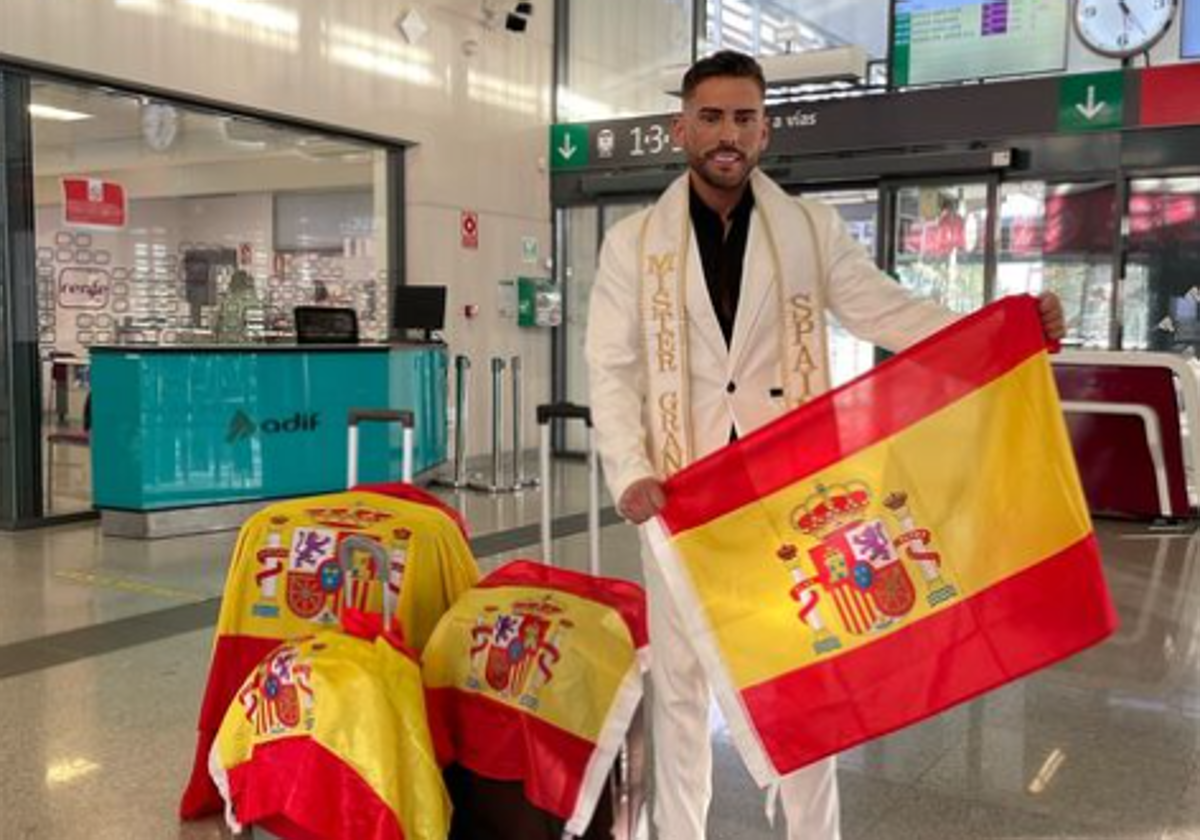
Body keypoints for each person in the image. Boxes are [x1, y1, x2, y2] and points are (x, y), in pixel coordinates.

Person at [584, 50, 1065, 840]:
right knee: (679, 689)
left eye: (744, 117)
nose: (727, 134)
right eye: (711, 117)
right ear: (681, 129)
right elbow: (610, 365)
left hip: (787, 493)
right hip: (681, 496)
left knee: (807, 683)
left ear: (766, 131)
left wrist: (1001, 328)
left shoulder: (810, 226)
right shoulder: (633, 244)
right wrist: (630, 469)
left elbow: (886, 312)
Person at [214, 269, 262, 344]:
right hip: (247, 345)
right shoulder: (253, 300)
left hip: (226, 344)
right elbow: (256, 331)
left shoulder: (226, 300)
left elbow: (215, 325)